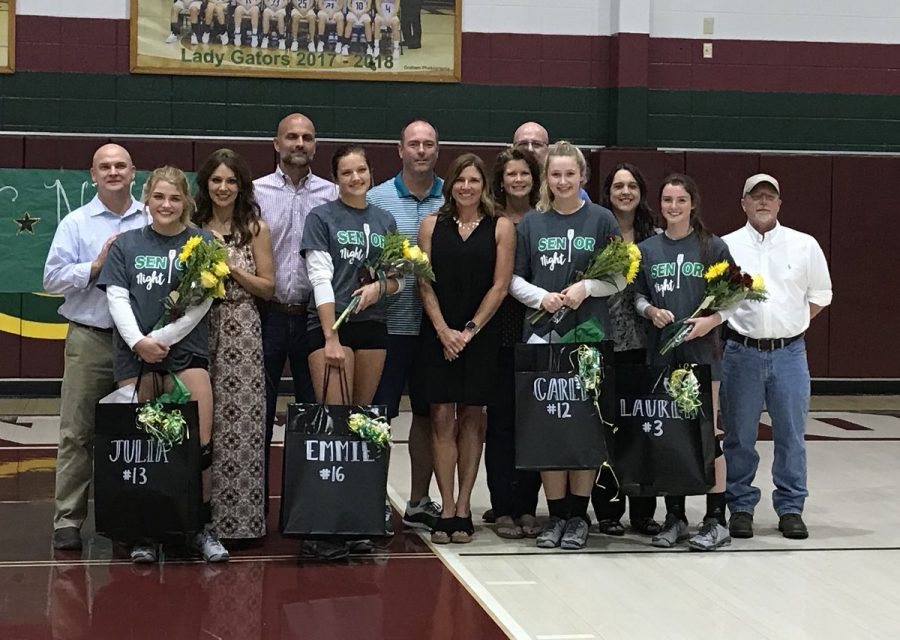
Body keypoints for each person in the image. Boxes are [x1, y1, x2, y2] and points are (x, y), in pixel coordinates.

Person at [98, 166, 228, 564]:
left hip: (186, 355)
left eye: (175, 198)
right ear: (147, 200)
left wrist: (162, 340)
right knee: (145, 447)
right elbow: (117, 299)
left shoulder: (206, 243)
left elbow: (201, 304)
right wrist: (139, 341)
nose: (166, 205)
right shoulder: (126, 245)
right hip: (135, 359)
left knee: (198, 446)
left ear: (187, 201)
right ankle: (144, 531)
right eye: (159, 198)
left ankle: (197, 528)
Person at [509, 141, 623, 550]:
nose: (562, 181)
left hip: (590, 336)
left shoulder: (602, 219)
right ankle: (555, 515)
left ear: (582, 177)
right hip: (543, 338)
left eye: (569, 174)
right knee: (550, 427)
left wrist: (586, 287)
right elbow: (513, 279)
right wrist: (542, 298)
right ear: (547, 179)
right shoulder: (531, 224)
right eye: (555, 175)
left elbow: (620, 277)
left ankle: (578, 515)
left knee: (584, 427)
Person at [44, 143, 146, 551]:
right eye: (105, 166)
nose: (113, 172)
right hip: (89, 338)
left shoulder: (151, 216)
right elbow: (52, 279)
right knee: (76, 433)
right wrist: (96, 267)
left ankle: (130, 521)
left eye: (121, 165)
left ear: (133, 172)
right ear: (92, 175)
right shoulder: (76, 223)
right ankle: (67, 519)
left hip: (139, 343)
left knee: (135, 434)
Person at [722, 174, 832, 540]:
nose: (763, 202)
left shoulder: (804, 245)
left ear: (780, 204)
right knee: (738, 436)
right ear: (744, 204)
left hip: (789, 353)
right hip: (741, 352)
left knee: (791, 435)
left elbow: (821, 295)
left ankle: (790, 507)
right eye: (756, 197)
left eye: (770, 196)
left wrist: (791, 326)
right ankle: (740, 505)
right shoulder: (726, 246)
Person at [633, 173, 733, 552]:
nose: (673, 207)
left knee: (709, 437)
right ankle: (675, 517)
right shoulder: (648, 249)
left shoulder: (713, 247)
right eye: (667, 200)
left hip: (702, 356)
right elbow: (637, 296)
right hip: (662, 355)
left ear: (693, 204)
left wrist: (708, 322)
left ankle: (715, 519)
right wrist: (651, 311)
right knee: (671, 437)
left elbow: (733, 299)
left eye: (680, 200)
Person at [418, 153, 515, 543]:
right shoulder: (430, 225)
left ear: (484, 186)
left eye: (474, 180)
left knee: (473, 418)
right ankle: (444, 506)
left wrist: (469, 331)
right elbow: (424, 282)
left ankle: (463, 507)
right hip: (438, 333)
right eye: (460, 180)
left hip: (480, 335)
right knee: (441, 417)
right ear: (450, 184)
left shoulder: (501, 226)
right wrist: (443, 330)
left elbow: (500, 285)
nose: (466, 187)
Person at [254, 113, 338, 506]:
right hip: (264, 316)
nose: (299, 143)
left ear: (315, 146)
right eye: (291, 136)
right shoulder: (253, 193)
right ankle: (250, 504)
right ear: (276, 143)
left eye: (307, 137)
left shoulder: (333, 195)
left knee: (313, 416)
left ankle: (309, 505)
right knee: (257, 415)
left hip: (313, 319)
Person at [194, 148, 275, 542]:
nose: (223, 187)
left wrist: (233, 270)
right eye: (216, 180)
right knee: (200, 424)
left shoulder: (255, 228)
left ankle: (239, 523)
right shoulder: (192, 226)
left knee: (242, 423)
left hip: (242, 328)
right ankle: (196, 517)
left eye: (230, 181)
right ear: (205, 184)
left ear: (241, 186)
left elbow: (268, 287)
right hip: (197, 326)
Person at [367, 119, 444, 531]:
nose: (420, 151)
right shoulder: (376, 200)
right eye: (413, 144)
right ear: (400, 150)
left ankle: (418, 500)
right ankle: (371, 497)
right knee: (378, 417)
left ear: (437, 150)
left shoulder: (455, 197)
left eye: (428, 144)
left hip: (434, 331)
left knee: (429, 417)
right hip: (388, 328)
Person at [591, 163, 661, 538]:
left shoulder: (655, 236)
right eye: (618, 185)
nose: (625, 192)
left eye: (632, 185)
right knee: (605, 430)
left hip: (644, 346)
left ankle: (644, 510)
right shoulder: (598, 231)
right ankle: (607, 509)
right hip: (602, 343)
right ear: (608, 191)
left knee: (642, 428)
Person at [301, 145, 400, 404]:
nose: (356, 178)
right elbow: (320, 279)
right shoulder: (321, 217)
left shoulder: (385, 220)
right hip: (332, 324)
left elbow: (398, 279)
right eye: (346, 173)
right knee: (337, 417)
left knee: (360, 418)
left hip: (372, 324)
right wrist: (330, 337)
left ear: (370, 173)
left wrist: (379, 288)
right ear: (335, 178)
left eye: (361, 170)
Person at [484, 147, 543, 539]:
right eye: (511, 174)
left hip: (540, 331)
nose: (518, 180)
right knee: (502, 423)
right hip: (499, 333)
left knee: (535, 425)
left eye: (525, 173)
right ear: (500, 180)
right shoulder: (491, 221)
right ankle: (502, 505)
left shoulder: (547, 220)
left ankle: (527, 506)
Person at [512, 121, 591, 202]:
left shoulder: (573, 193)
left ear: (547, 150)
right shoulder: (504, 187)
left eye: (536, 144)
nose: (530, 149)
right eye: (523, 144)